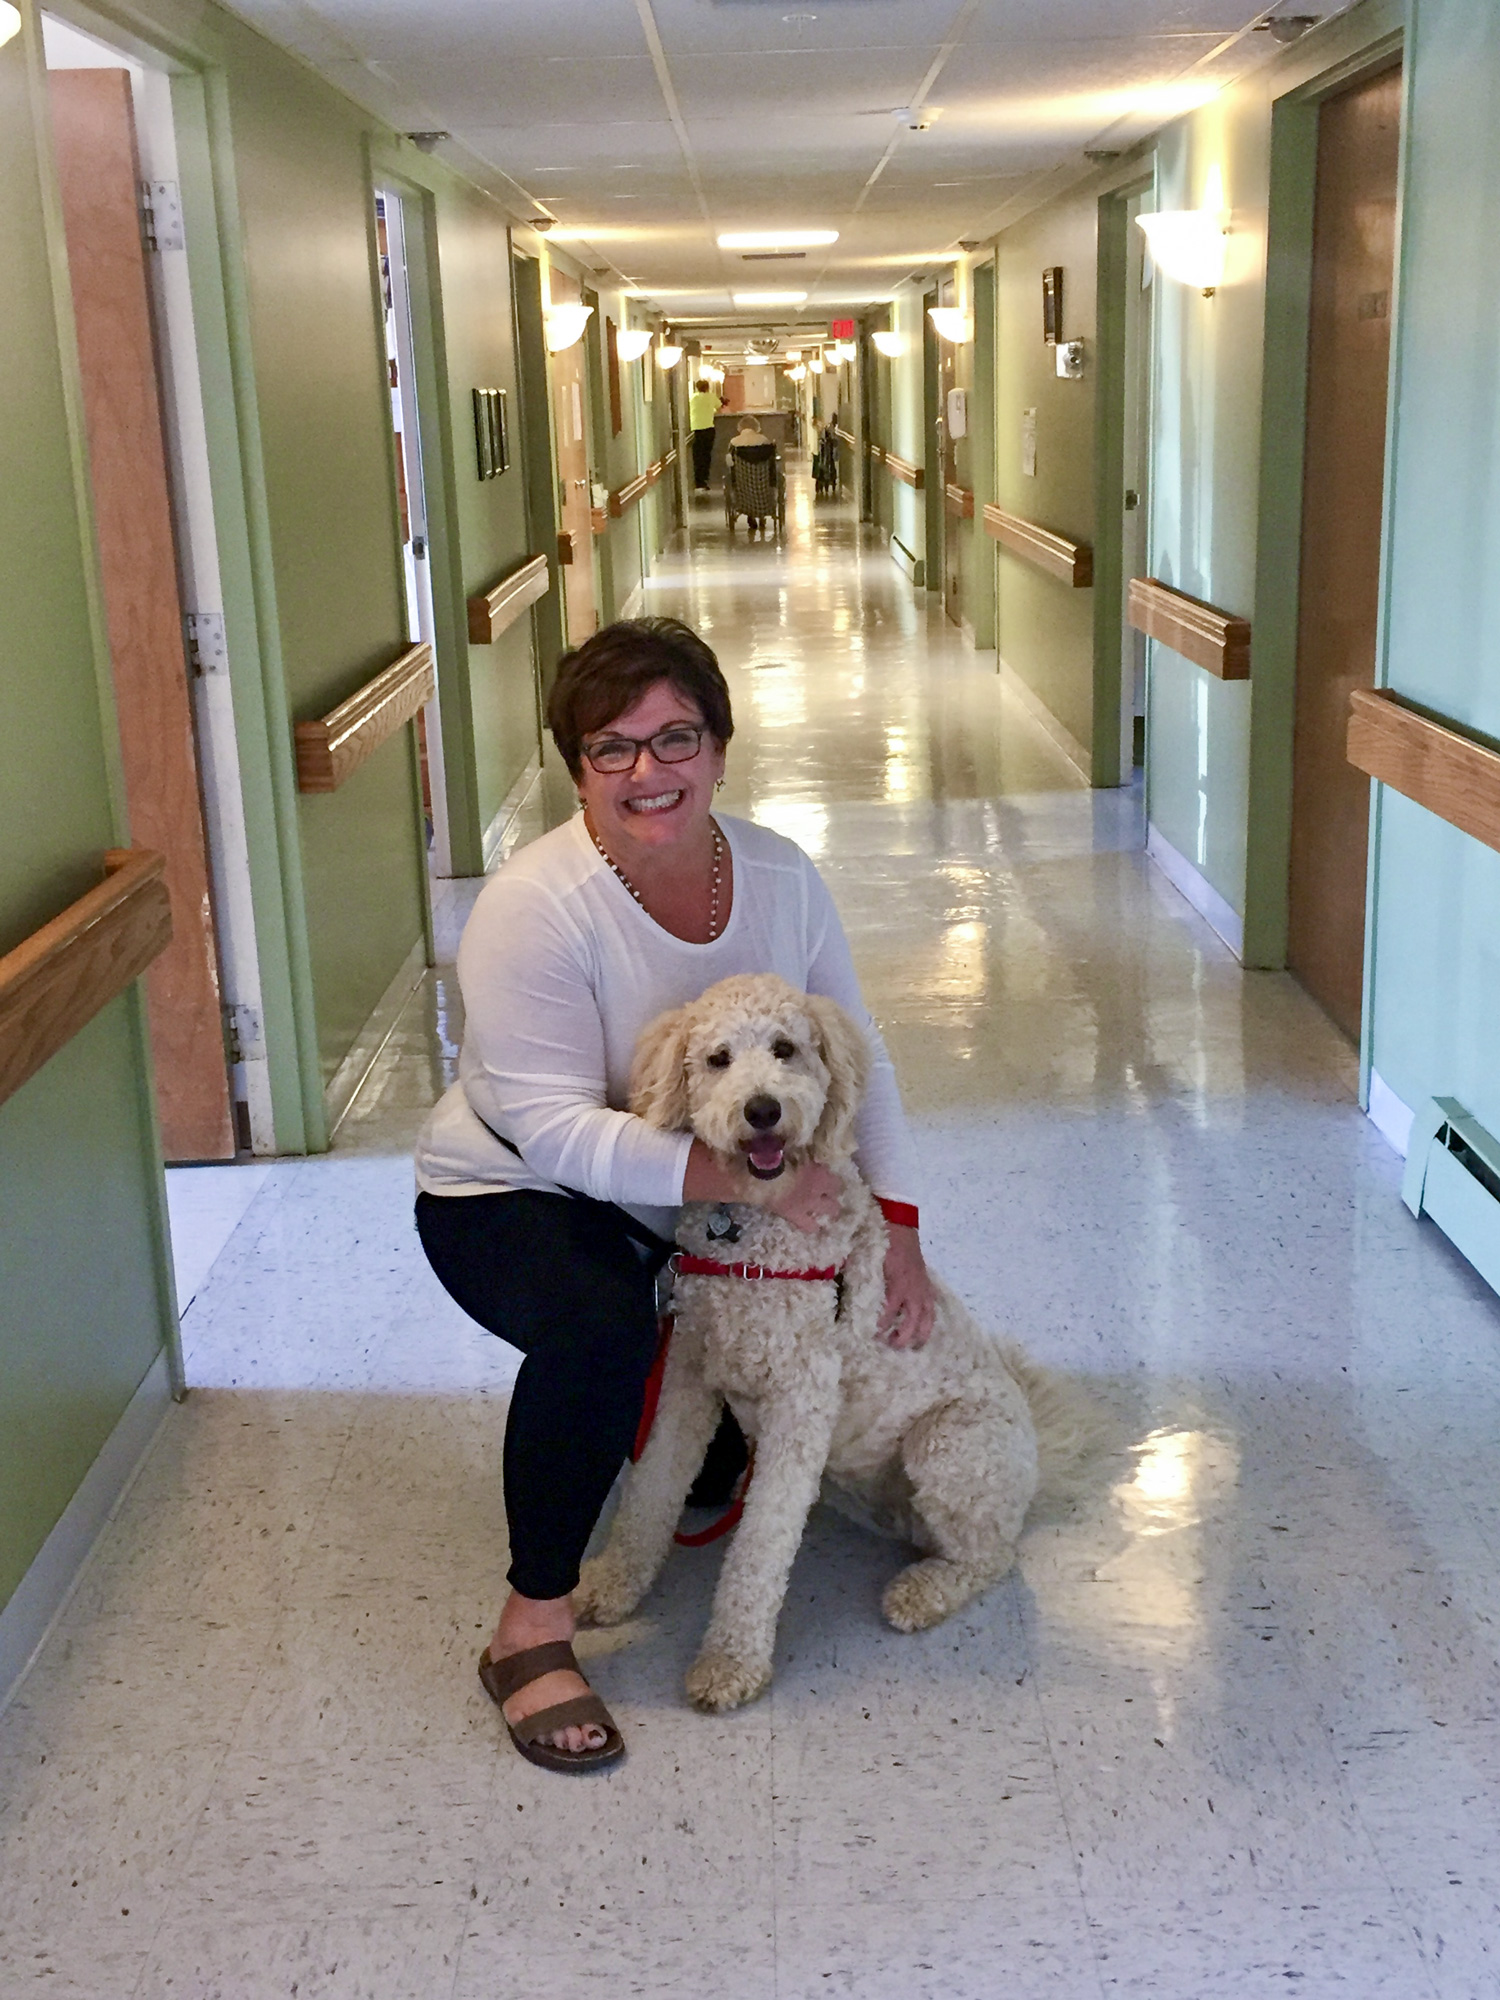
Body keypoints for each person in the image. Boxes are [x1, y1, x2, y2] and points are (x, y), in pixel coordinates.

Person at [414, 617, 935, 1772]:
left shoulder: (781, 875)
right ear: (578, 769)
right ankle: (530, 1626)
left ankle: (667, 1431)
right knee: (599, 1327)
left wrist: (897, 1227)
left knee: (722, 1426)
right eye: (613, 746)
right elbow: (553, 1128)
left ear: (720, 747)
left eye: (675, 737)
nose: (648, 769)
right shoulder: (533, 906)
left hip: (702, 1212)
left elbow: (858, 1056)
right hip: (514, 1186)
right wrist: (754, 1183)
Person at [688, 377, 720, 489]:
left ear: (697, 388)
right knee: (706, 455)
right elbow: (719, 406)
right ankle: (704, 480)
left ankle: (698, 481)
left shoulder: (692, 398)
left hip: (695, 429)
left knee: (697, 456)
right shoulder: (711, 397)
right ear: (707, 388)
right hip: (708, 429)